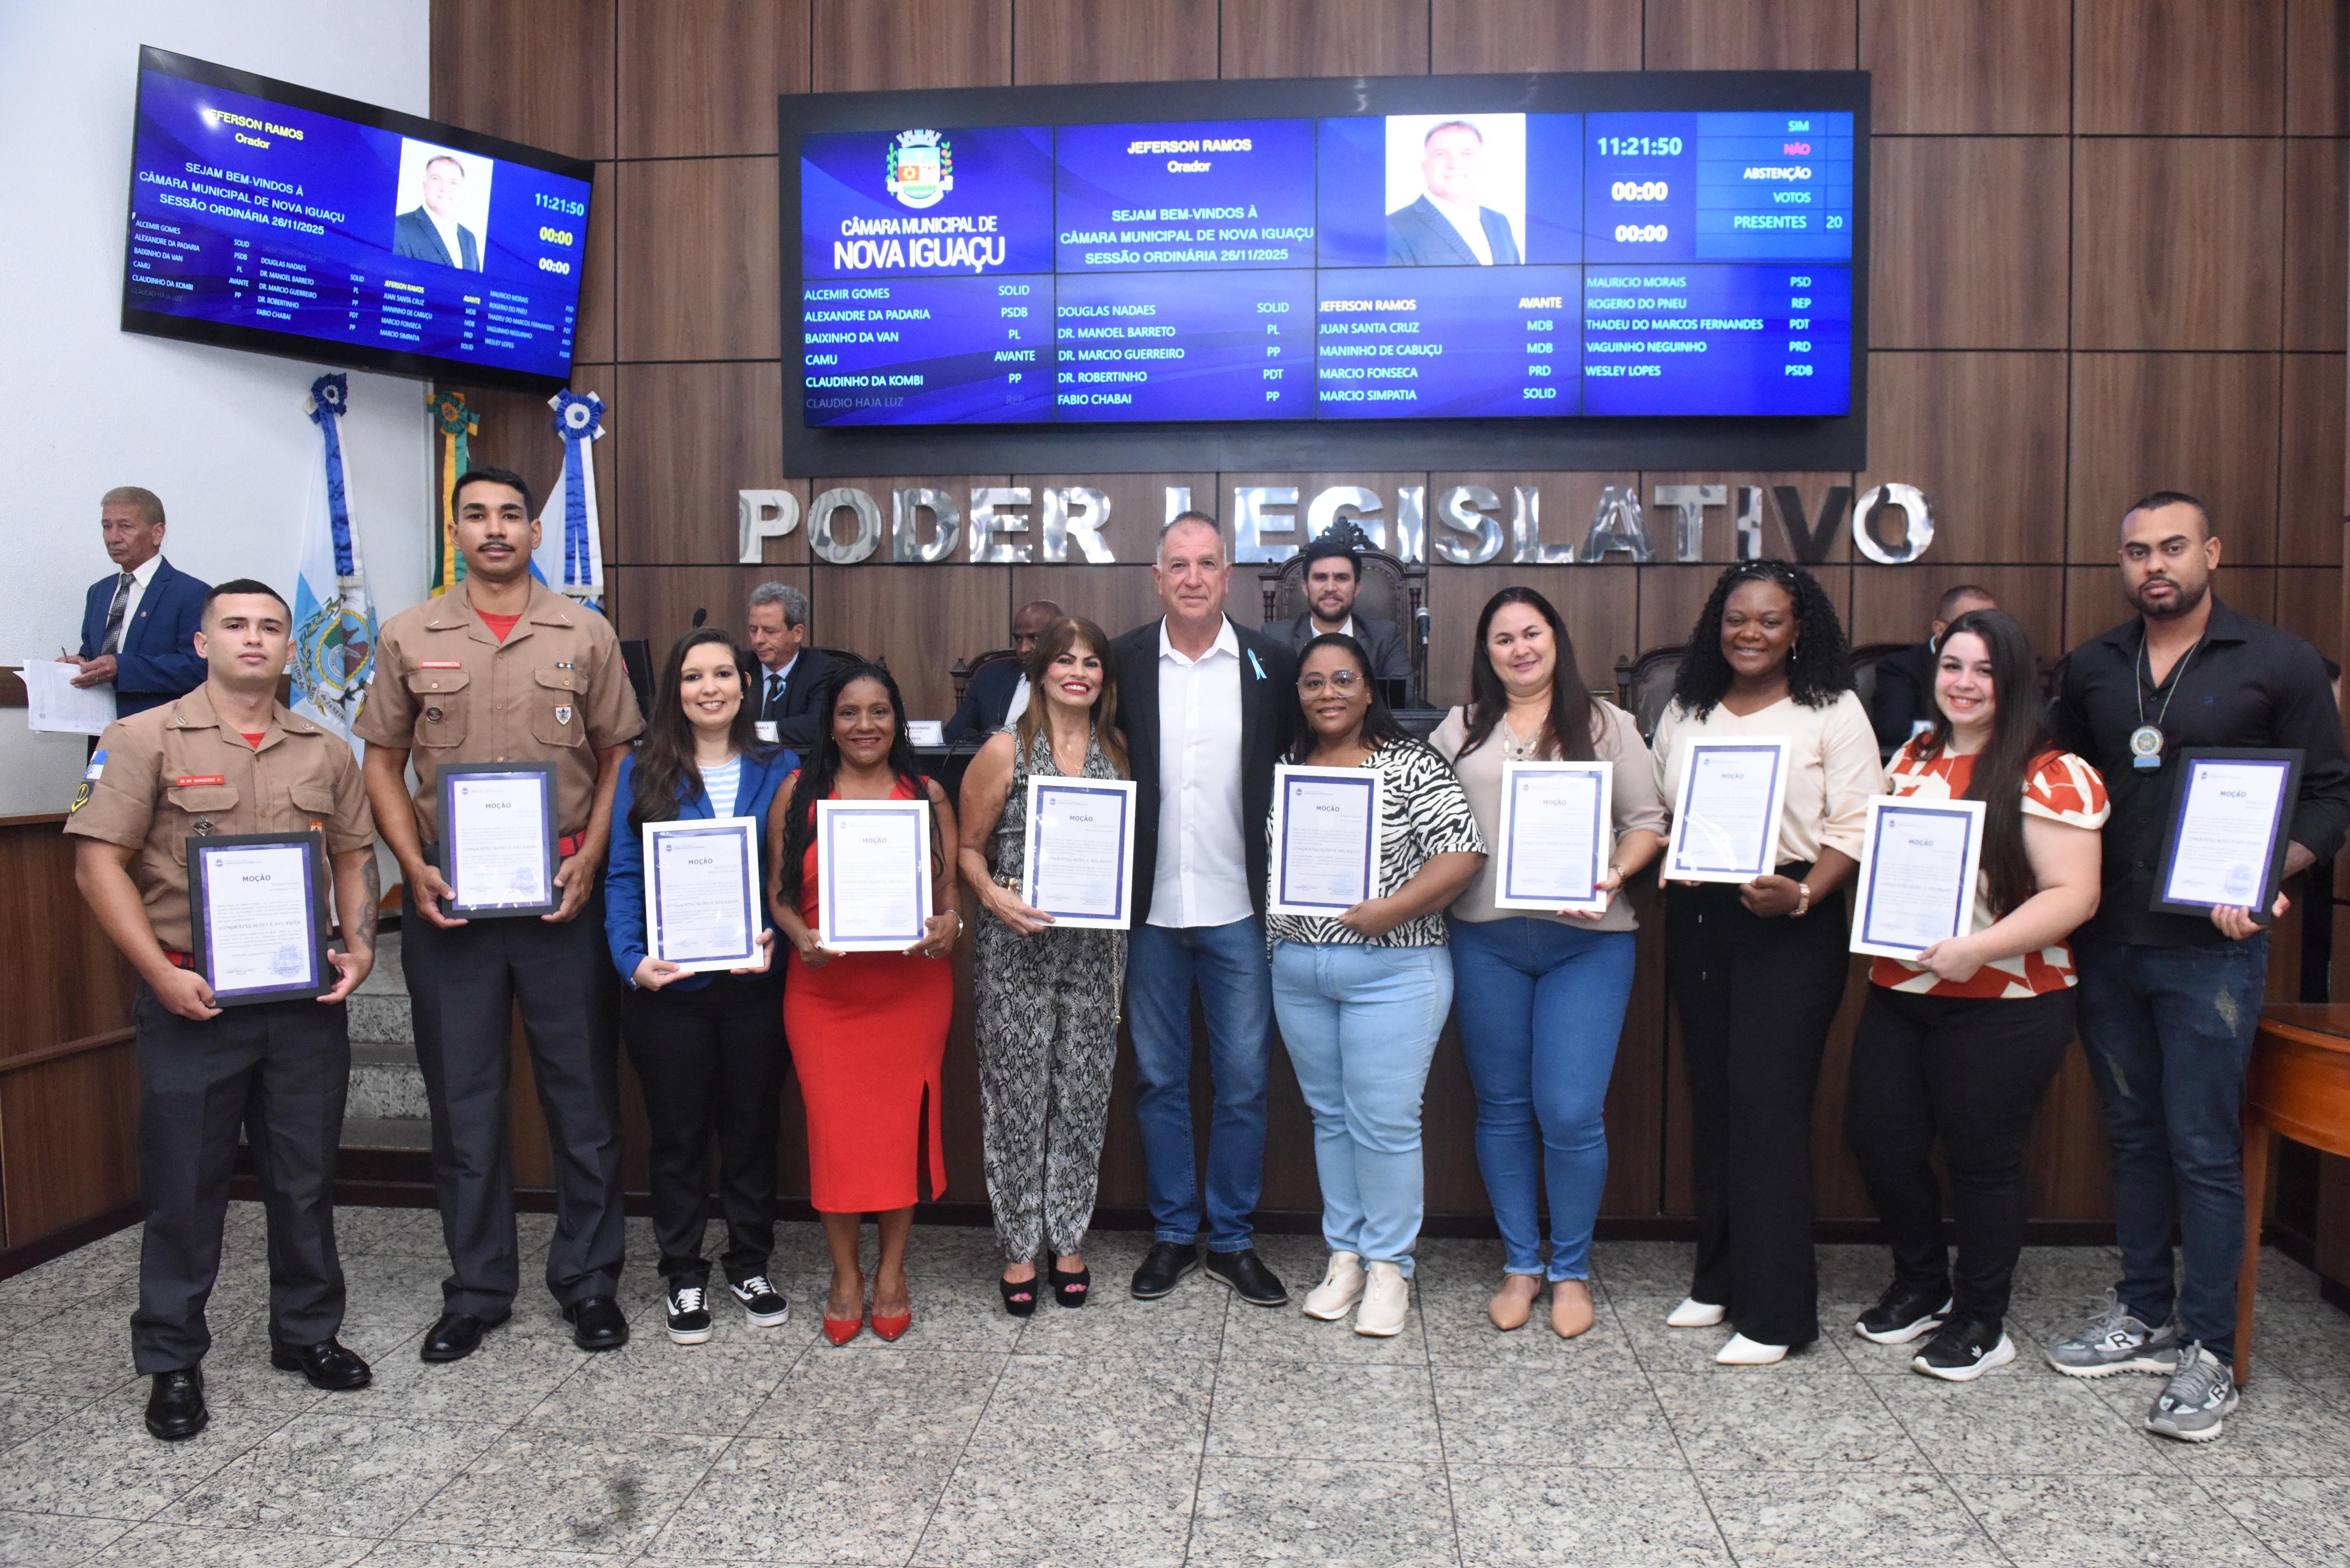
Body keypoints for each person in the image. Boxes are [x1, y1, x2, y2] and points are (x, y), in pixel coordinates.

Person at [2046, 491, 2350, 1441]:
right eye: (2137, 551)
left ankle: (2211, 1349)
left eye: (2173, 547)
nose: (2155, 566)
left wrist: (2266, 875)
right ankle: (2144, 1310)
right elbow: (2062, 791)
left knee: (2204, 1147)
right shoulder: (2092, 667)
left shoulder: (2280, 661)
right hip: (2107, 942)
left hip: (2211, 951)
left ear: (2211, 552)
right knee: (2132, 1137)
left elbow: (2331, 799)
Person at [68, 581, 380, 1441]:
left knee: (304, 1178)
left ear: (289, 648)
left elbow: (354, 856)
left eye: (271, 627)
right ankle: (172, 1358)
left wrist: (360, 947)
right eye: (235, 625)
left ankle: (307, 1333)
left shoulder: (326, 749)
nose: (254, 638)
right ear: (203, 643)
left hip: (301, 1001)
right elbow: (97, 865)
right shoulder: (141, 739)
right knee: (184, 1186)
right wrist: (157, 975)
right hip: (190, 997)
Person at [356, 465, 645, 1361]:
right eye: (476, 515)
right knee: (465, 1105)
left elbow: (619, 754)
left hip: (562, 896)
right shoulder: (410, 634)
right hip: (452, 903)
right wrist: (410, 867)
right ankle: (477, 1289)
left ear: (532, 532)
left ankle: (589, 1282)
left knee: (582, 1100)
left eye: (511, 515)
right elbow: (380, 761)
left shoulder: (584, 631)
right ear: (457, 531)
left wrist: (592, 857)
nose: (494, 529)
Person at [1846, 609, 2108, 1380]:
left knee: (1982, 1163)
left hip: (2007, 999)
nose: (1964, 684)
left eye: (1985, 670)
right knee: (1881, 1142)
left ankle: (1982, 1320)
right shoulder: (1913, 756)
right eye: (1953, 666)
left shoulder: (2053, 773)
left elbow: (2074, 894)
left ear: (2016, 680)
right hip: (1902, 985)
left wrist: (1978, 949)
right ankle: (1922, 1284)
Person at [1653, 559, 1880, 1365]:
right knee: (1714, 1099)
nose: (1749, 633)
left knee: (1768, 1107)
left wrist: (1806, 893)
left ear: (1798, 630)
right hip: (1700, 917)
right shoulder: (1687, 708)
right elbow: (1668, 807)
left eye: (1769, 620)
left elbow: (1856, 825)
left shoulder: (1833, 710)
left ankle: (1777, 1313)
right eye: (1736, 618)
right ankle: (1718, 1279)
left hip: (1789, 915)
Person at [1431, 587, 1666, 1339]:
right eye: (1503, 639)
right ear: (1486, 653)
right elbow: (1425, 822)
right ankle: (1520, 1264)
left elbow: (1646, 822)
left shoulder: (1606, 724)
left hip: (1587, 945)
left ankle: (1570, 1270)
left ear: (1556, 639)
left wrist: (1616, 873)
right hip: (1486, 941)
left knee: (1569, 1110)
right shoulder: (1459, 729)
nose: (1520, 649)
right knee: (1501, 1106)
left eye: (1531, 633)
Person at [1110, 512, 1300, 1307]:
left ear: (1229, 577)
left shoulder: (1271, 663)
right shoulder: (1119, 661)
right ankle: (1171, 1233)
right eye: (1178, 565)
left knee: (1245, 1083)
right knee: (1158, 1080)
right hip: (1148, 909)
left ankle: (1230, 1241)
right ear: (1157, 578)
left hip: (1238, 908)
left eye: (1207, 564)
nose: (1193, 578)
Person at [1276, 634, 1485, 1336]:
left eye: (1342, 679)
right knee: (1329, 1116)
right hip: (1298, 971)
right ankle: (1346, 1256)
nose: (1327, 693)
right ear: (1298, 695)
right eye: (1312, 682)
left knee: (1384, 1120)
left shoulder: (1411, 762)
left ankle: (1390, 1265)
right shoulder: (1286, 766)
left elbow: (1462, 853)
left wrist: (1389, 910)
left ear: (1369, 690)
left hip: (1394, 968)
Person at [604, 628, 796, 1346]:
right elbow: (622, 874)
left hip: (755, 985)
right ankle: (683, 1271)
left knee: (751, 1131)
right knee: (679, 1137)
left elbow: (794, 873)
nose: (708, 687)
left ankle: (749, 1263)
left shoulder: (781, 766)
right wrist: (631, 959)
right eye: (692, 676)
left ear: (746, 686)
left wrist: (780, 935)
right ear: (674, 691)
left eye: (722, 674)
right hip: (670, 988)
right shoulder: (641, 768)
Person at [767, 662, 962, 1344]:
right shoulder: (798, 791)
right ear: (829, 723)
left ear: (896, 720)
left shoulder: (927, 794)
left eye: (879, 711)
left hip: (910, 992)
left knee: (898, 1135)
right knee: (836, 1135)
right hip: (823, 993)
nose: (864, 725)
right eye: (849, 712)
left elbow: (948, 893)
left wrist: (950, 924)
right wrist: (799, 937)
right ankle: (845, 1274)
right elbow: (778, 895)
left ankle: (892, 1272)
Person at [956, 615, 1129, 1314]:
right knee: (1017, 1099)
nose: (1077, 673)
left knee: (1083, 1096)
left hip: (1095, 952)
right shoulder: (1005, 749)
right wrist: (993, 895)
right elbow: (967, 848)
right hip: (1016, 945)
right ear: (1040, 669)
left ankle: (1069, 1237)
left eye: (1091, 662)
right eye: (1065, 660)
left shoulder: (1117, 752)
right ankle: (1020, 1245)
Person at [67, 486, 208, 718]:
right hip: (100, 729)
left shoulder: (192, 593)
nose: (113, 538)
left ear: (157, 534)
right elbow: (93, 652)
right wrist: (82, 663)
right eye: (107, 526)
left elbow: (200, 668)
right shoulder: (99, 593)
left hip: (159, 730)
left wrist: (122, 668)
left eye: (126, 527)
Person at [1870, 584, 1998, 748]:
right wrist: (1966, 734)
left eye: (1991, 628)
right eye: (1970, 626)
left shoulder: (2008, 663)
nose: (1982, 636)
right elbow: (1894, 728)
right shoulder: (1900, 667)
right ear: (1941, 629)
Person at [1275, 529, 1411, 682]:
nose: (1330, 588)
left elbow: (1402, 694)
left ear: (1357, 588)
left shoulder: (1385, 638)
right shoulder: (1277, 638)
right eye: (1321, 578)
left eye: (1341, 578)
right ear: (1306, 588)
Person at [1385, 119, 1522, 266]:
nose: (1454, 164)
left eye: (1467, 154)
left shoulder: (1499, 222)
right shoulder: (1393, 228)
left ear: (1482, 165)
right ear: (1425, 168)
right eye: (1441, 154)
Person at [944, 598, 1064, 744]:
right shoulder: (991, 678)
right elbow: (952, 737)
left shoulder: (1078, 681)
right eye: (1018, 639)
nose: (1024, 649)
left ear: (1060, 639)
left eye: (1034, 638)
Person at [747, 581, 835, 751]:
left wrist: (753, 733)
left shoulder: (823, 670)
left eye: (769, 631)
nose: (758, 640)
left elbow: (817, 725)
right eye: (753, 630)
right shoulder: (738, 667)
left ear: (797, 633)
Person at [393, 153, 481, 270]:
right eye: (436, 179)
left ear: (463, 191)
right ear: (424, 186)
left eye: (453, 182)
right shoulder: (400, 227)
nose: (444, 188)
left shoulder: (469, 238)